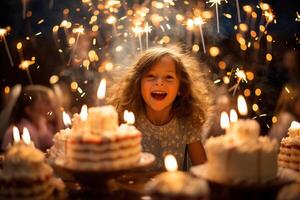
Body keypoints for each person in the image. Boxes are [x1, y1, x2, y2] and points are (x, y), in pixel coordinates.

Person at [108, 46, 215, 171]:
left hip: (172, 189)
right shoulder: (126, 121)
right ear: (138, 84)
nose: (159, 82)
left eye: (168, 77)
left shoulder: (187, 123)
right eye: (151, 76)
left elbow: (203, 169)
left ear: (181, 87)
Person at [1, 85, 61, 152]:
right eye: (46, 103)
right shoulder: (17, 132)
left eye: (51, 102)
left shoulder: (43, 128)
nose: (52, 106)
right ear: (29, 110)